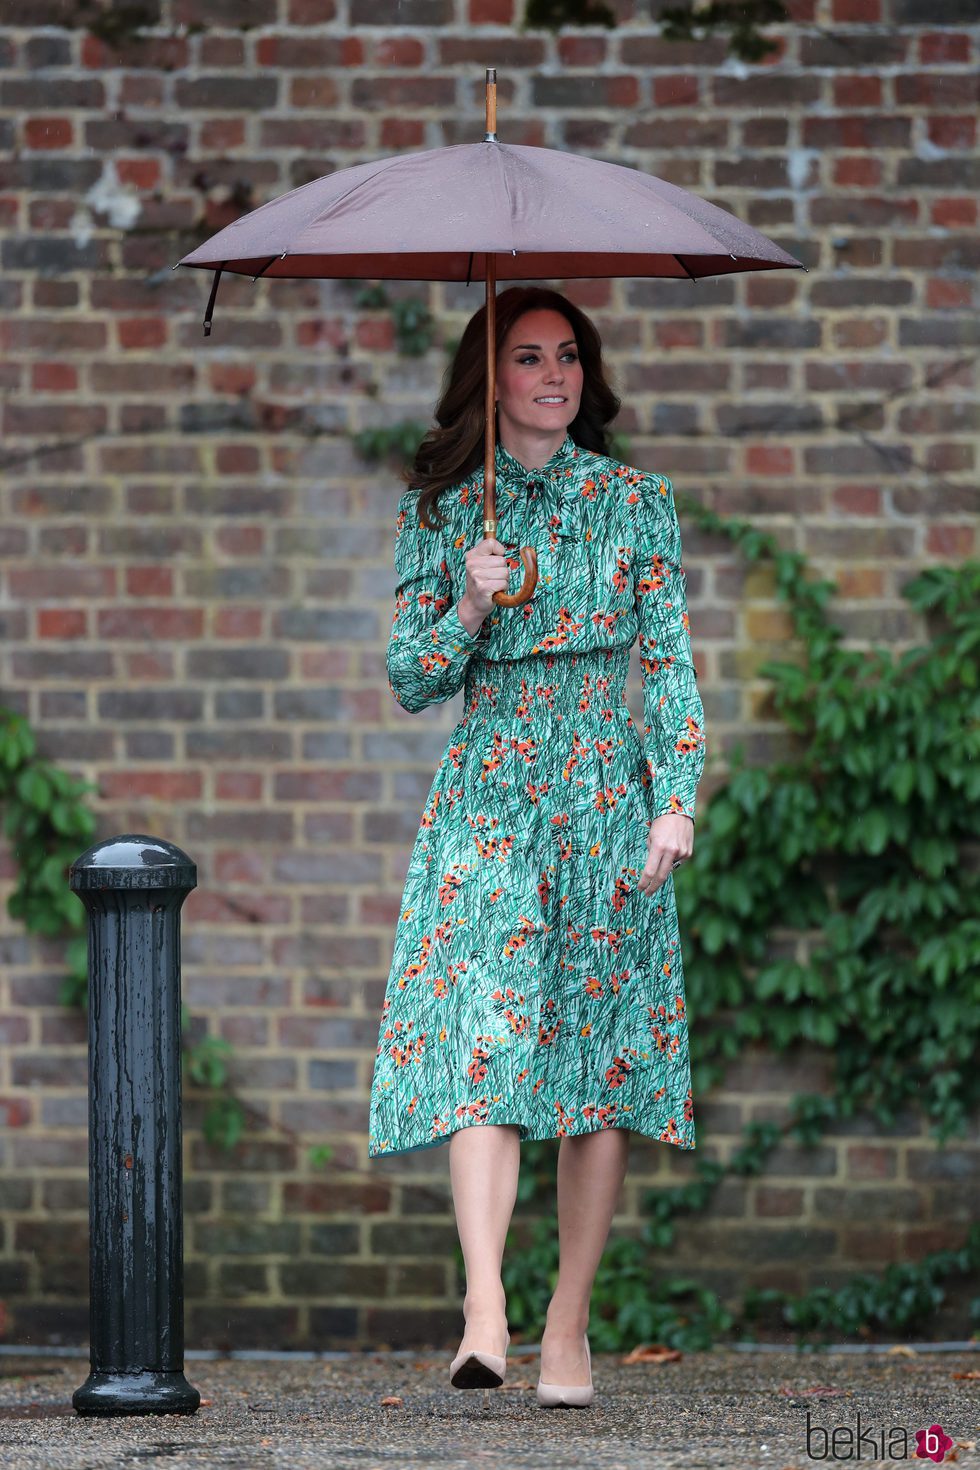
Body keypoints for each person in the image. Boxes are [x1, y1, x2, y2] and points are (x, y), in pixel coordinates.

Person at [367, 285, 706, 1408]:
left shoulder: (635, 503)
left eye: (568, 356)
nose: (552, 375)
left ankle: (568, 1328)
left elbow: (664, 660)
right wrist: (466, 605)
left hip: (605, 792)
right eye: (528, 357)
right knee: (481, 1035)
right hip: (489, 794)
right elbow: (411, 681)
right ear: (491, 377)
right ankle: (483, 1308)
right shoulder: (442, 512)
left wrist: (676, 800)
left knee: (597, 1069)